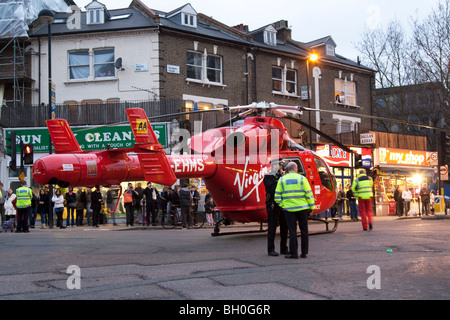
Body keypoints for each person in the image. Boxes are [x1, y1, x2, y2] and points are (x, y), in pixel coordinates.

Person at [275, 162, 315, 259]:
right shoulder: (302, 179)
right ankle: (304, 253)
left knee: (292, 231)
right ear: (296, 168)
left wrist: (283, 205)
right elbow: (309, 194)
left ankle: (293, 253)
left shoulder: (282, 180)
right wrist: (312, 207)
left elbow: (277, 197)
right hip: (303, 209)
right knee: (304, 230)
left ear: (288, 169)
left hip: (289, 210)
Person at [263, 160, 288, 257]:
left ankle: (283, 248)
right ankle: (271, 249)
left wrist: (282, 178)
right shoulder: (268, 176)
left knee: (284, 226)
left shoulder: (283, 176)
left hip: (282, 204)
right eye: (280, 166)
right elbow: (272, 189)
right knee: (272, 227)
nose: (281, 168)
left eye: (282, 166)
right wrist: (280, 179)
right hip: (272, 204)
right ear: (274, 166)